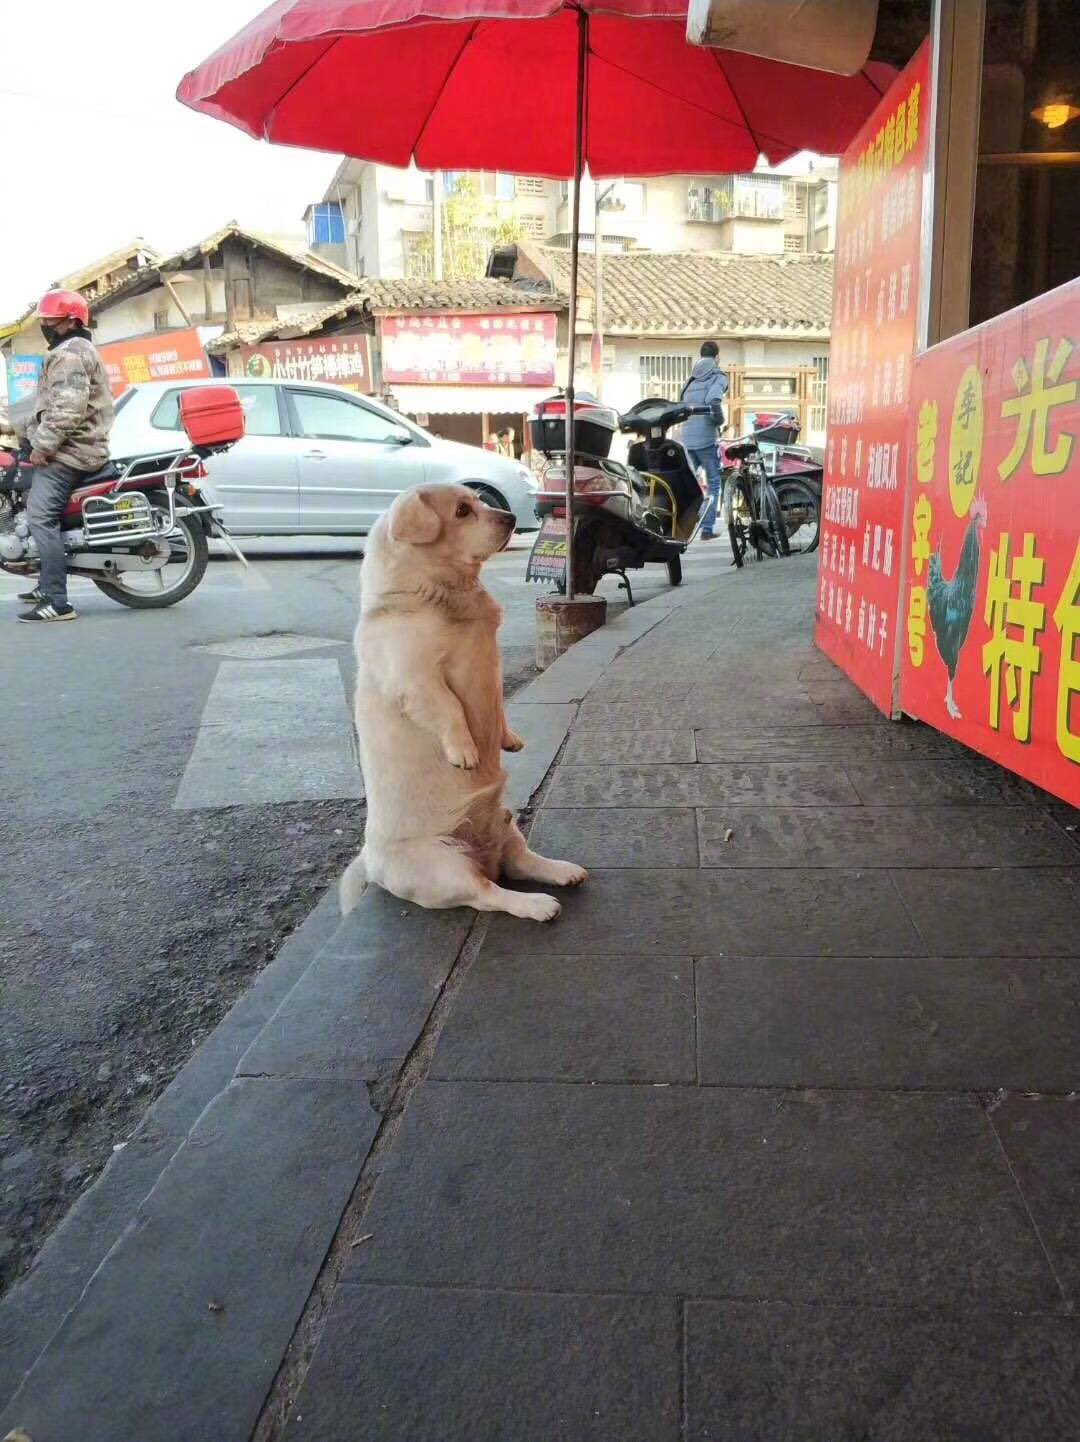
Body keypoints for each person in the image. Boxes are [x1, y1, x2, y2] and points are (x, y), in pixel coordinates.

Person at [16, 290, 114, 623]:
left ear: (71, 321)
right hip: (79, 447)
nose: (45, 326)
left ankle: (57, 602)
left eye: (51, 320)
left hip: (72, 453)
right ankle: (45, 581)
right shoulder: (75, 349)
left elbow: (67, 411)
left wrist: (42, 448)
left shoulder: (70, 355)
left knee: (40, 516)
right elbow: (47, 407)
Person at [679, 340, 729, 540]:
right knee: (714, 482)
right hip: (706, 439)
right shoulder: (718, 376)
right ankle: (707, 529)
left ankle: (682, 528)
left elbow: (681, 404)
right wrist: (719, 420)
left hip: (687, 438)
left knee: (688, 485)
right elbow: (713, 400)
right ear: (717, 357)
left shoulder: (690, 381)